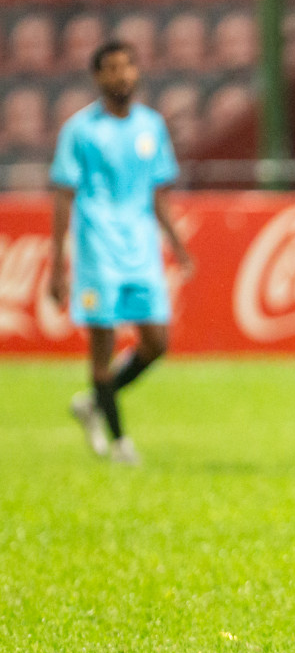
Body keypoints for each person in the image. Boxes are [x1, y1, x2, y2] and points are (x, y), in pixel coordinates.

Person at [49, 40, 194, 467]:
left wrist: (178, 245)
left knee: (156, 342)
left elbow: (159, 194)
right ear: (97, 77)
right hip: (96, 250)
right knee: (103, 345)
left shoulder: (151, 126)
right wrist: (57, 265)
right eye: (111, 68)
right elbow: (62, 196)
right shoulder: (80, 130)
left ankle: (94, 404)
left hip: (142, 249)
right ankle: (119, 444)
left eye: (128, 66)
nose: (121, 75)